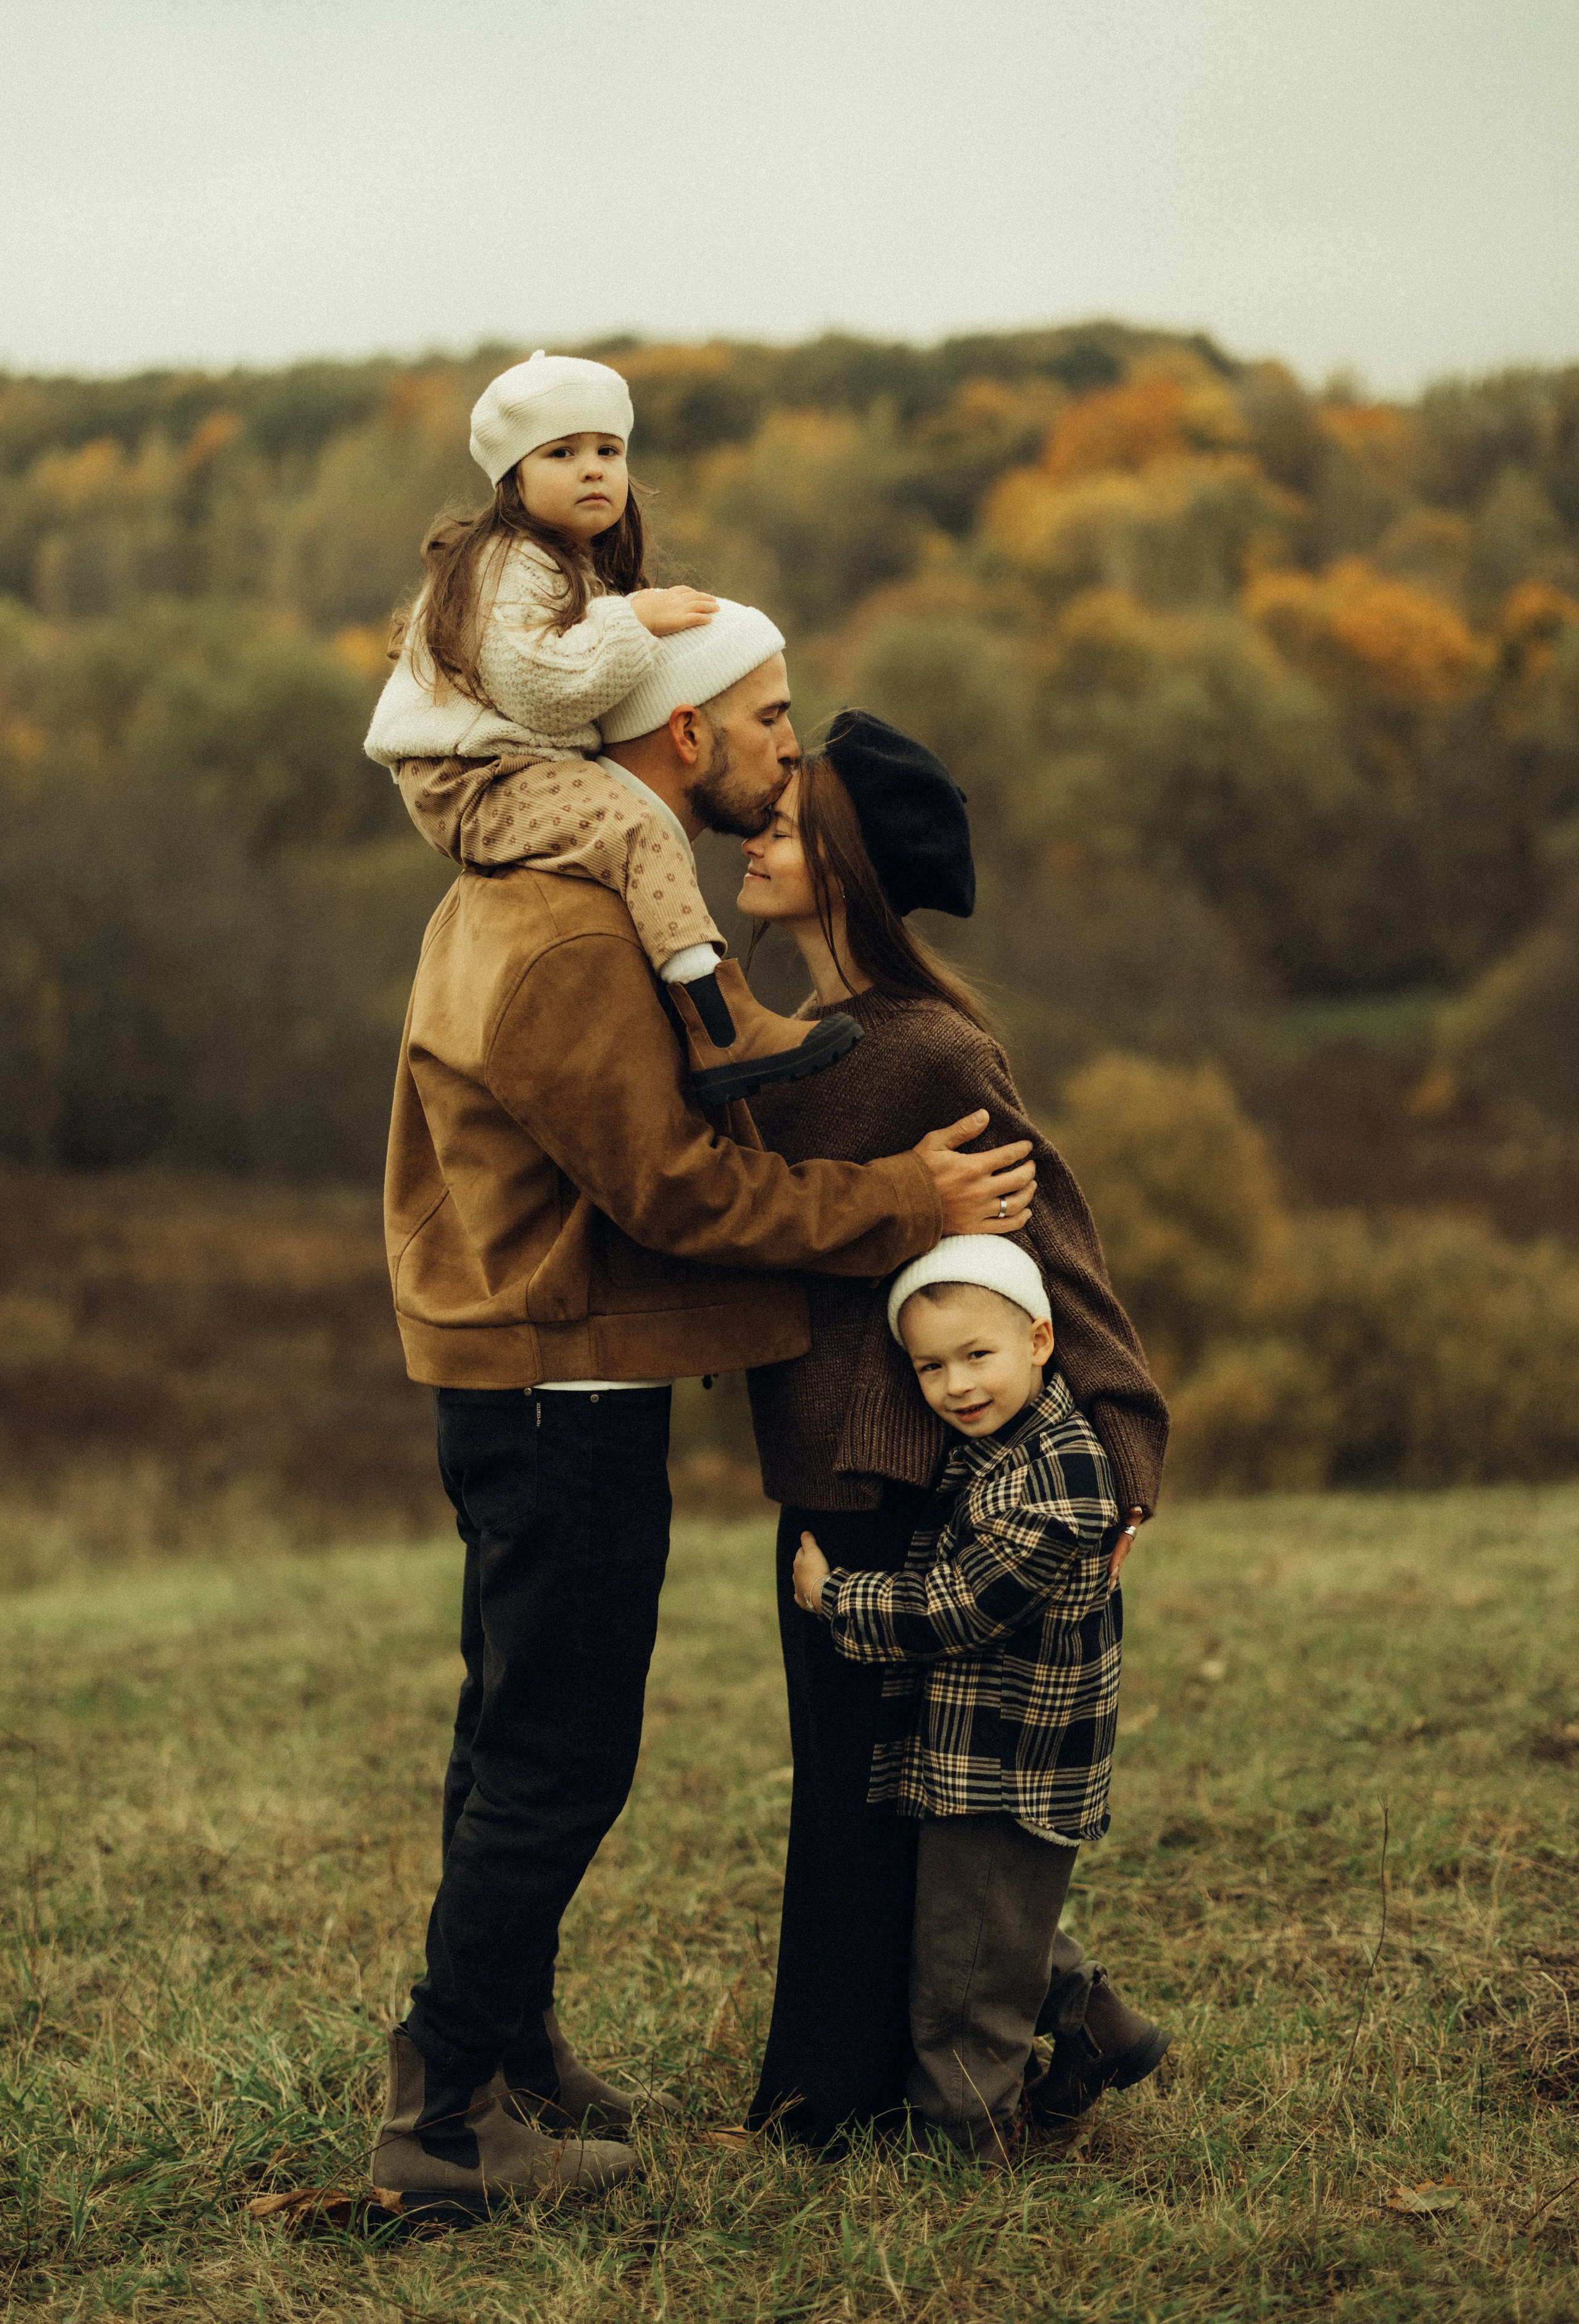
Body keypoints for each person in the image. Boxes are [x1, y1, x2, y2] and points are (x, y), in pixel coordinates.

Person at [368, 630, 1043, 2209]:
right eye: (764, 720)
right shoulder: (571, 939)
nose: (776, 753)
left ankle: (504, 2047)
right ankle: (447, 2112)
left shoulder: (568, 899)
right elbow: (674, 1188)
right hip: (559, 1386)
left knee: (508, 1730)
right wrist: (902, 1201)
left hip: (529, 1369)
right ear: (681, 736)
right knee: (557, 1751)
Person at [738, 712, 1171, 2153]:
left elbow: (1057, 1242)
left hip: (896, 1474)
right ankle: (976, 2039)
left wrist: (1118, 1452)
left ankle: (834, 2100)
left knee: (874, 1802)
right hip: (824, 1466)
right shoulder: (804, 1039)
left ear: (846, 871)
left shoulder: (928, 1050)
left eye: (790, 825)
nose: (757, 836)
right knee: (872, 1797)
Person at [364, 350, 857, 1103]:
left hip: (502, 765)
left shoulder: (563, 566)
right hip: (467, 777)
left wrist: (622, 614)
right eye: (561, 453)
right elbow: (547, 692)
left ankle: (698, 1015)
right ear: (513, 479)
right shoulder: (505, 564)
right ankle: (720, 1022)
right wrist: (631, 621)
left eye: (608, 451)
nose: (592, 469)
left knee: (626, 821)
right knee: (633, 827)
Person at [792, 1238, 1171, 2161]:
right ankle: (1096, 2023)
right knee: (983, 1921)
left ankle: (967, 2131)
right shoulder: (1002, 1443)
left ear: (1041, 1341)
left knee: (966, 1965)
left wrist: (831, 1595)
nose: (956, 1385)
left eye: (976, 1356)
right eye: (930, 1366)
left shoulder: (1059, 1474)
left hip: (1014, 1760)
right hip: (977, 1749)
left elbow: (958, 1607)